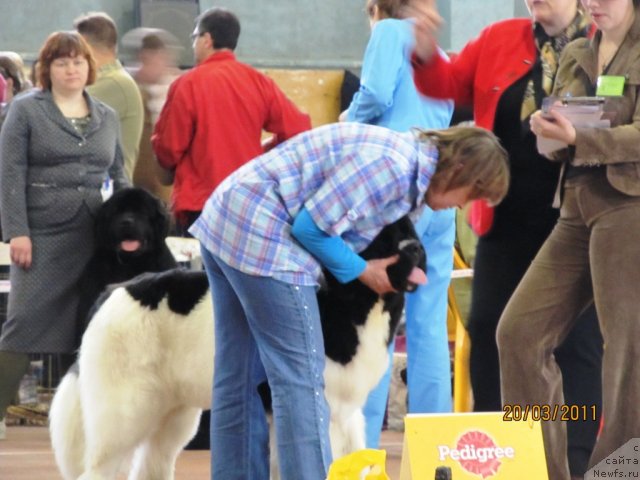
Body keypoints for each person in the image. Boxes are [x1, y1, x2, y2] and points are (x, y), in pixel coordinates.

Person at [189, 121, 509, 480]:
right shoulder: (391, 166)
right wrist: (363, 271)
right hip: (262, 234)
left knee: (240, 375)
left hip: (226, 219)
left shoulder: (404, 170)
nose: (464, 205)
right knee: (301, 379)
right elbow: (309, 228)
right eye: (472, 194)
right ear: (459, 169)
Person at [407, 1, 603, 477]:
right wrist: (427, 54)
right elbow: (446, 88)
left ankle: (573, 460)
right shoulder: (499, 37)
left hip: (576, 221)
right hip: (503, 222)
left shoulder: (606, 42)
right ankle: (500, 453)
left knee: (577, 344)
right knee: (493, 330)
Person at [499, 0, 640, 478]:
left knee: (628, 352)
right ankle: (537, 470)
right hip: (575, 205)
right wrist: (549, 133)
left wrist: (582, 140)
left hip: (630, 206)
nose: (591, 4)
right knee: (517, 334)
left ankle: (617, 474)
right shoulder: (579, 48)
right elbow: (562, 131)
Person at [0, 31, 128, 440]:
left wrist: (132, 229)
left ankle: (84, 415)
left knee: (89, 326)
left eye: (78, 61)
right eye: (61, 62)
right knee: (22, 323)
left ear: (90, 67)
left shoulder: (107, 115)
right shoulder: (25, 110)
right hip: (39, 233)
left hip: (93, 235)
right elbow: (9, 173)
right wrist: (16, 231)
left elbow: (119, 175)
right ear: (46, 69)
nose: (71, 68)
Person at [341, 0, 455, 448]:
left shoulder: (389, 32)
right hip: (439, 192)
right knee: (428, 325)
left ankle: (364, 443)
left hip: (392, 192)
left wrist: (343, 123)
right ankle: (433, 447)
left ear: (375, 7)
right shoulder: (439, 56)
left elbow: (375, 95)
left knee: (378, 319)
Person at [152, 7, 311, 235]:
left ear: (207, 39)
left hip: (201, 206)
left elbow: (168, 149)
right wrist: (264, 152)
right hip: (250, 203)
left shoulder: (187, 84)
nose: (193, 43)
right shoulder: (258, 82)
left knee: (200, 271)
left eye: (194, 37)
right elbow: (299, 130)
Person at [74, 12, 144, 181]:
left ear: (85, 47)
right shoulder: (105, 80)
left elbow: (59, 120)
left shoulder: (113, 83)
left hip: (108, 194)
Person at [130, 30, 181, 206]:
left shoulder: (175, 85)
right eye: (150, 59)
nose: (157, 64)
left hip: (165, 180)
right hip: (136, 175)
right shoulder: (131, 86)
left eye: (160, 59)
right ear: (142, 57)